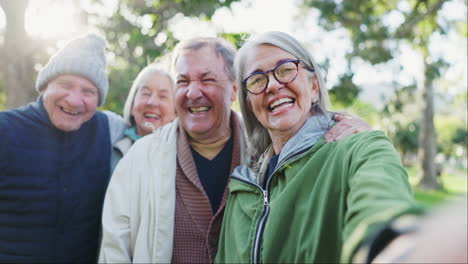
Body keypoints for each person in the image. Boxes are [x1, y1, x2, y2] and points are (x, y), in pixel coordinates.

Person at [98, 36, 372, 263]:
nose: (193, 93)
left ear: (233, 90)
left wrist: (346, 125)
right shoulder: (140, 159)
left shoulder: (269, 152)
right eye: (182, 82)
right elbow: (114, 250)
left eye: (206, 80)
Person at [215, 31, 423, 264]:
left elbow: (383, 209)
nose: (272, 85)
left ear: (314, 87)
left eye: (285, 69)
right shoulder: (242, 186)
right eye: (256, 79)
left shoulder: (360, 149)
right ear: (250, 105)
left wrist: (392, 246)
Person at [0, 33, 126, 262]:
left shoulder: (109, 129)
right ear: (45, 85)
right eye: (65, 85)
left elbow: (151, 131)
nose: (74, 100)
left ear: (98, 100)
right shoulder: (5, 128)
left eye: (88, 91)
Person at [111, 64, 176, 169]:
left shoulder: (184, 156)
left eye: (163, 96)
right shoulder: (112, 151)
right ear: (132, 105)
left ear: (175, 112)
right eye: (146, 93)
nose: (152, 102)